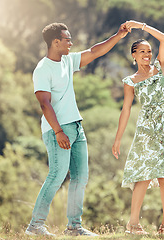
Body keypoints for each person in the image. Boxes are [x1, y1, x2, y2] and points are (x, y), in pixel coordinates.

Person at [25, 22, 129, 237]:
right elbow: (45, 103)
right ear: (55, 42)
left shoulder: (68, 61)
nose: (71, 43)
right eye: (67, 39)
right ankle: (35, 226)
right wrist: (58, 131)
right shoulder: (43, 69)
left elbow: (94, 51)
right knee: (57, 175)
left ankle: (74, 227)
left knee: (81, 177)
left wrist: (118, 35)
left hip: (76, 127)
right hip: (58, 130)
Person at [112, 20, 164, 235]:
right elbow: (126, 110)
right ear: (134, 55)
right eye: (142, 52)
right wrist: (118, 139)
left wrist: (141, 25)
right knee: (144, 175)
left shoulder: (160, 67)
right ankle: (133, 224)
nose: (147, 55)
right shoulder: (130, 81)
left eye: (149, 51)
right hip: (147, 130)